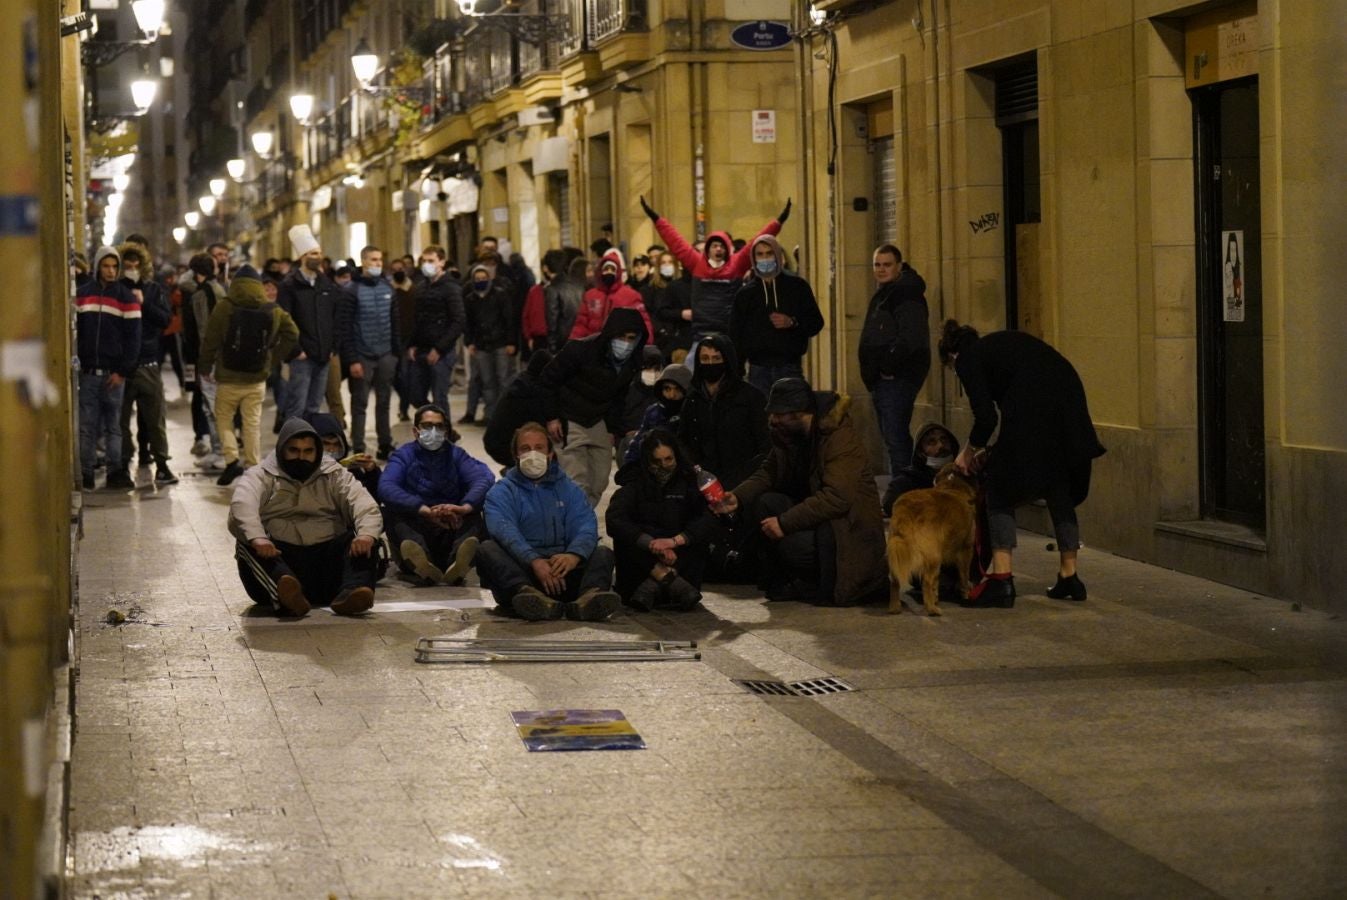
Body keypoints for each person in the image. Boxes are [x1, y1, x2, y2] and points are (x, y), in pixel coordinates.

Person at [938, 320, 1106, 607]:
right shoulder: (1001, 346)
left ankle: (1001, 579)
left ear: (952, 357)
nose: (958, 375)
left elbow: (987, 418)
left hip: (1035, 405)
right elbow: (1015, 428)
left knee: (998, 489)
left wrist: (967, 453)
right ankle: (1069, 575)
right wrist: (988, 451)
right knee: (1057, 484)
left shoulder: (968, 358)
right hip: (1068, 399)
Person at [720, 377, 888, 606]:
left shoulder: (839, 438)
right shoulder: (789, 434)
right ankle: (790, 577)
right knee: (765, 503)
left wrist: (784, 522)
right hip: (818, 516)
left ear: (799, 413)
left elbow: (837, 498)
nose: (773, 420)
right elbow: (769, 472)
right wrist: (737, 497)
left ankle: (814, 580)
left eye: (779, 414)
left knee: (790, 547)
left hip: (847, 527)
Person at [228, 418, 380, 617]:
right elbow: (242, 505)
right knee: (246, 541)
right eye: (294, 451)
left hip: (326, 562)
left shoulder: (335, 474)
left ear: (317, 452)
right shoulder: (260, 475)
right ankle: (285, 594)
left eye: (308, 452)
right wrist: (258, 538)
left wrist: (366, 536)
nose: (301, 457)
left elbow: (364, 504)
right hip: (280, 558)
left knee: (368, 537)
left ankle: (352, 592)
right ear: (282, 449)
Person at [478, 422, 620, 621]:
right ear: (516, 455)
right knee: (487, 549)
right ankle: (530, 598)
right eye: (525, 449)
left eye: (539, 448)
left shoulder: (569, 489)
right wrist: (534, 560)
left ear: (550, 454)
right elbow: (503, 530)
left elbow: (585, 524)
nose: (533, 454)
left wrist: (573, 555)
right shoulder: (501, 492)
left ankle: (587, 599)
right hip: (527, 574)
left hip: (565, 570)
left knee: (603, 552)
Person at [198, 265, 300, 486]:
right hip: (256, 378)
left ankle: (232, 461)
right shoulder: (272, 309)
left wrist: (205, 367)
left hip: (228, 377)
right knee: (251, 423)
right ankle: (253, 467)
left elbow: (210, 340)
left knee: (224, 419)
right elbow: (292, 333)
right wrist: (273, 358)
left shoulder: (224, 307)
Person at [539, 307, 649, 506]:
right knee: (576, 480)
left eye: (631, 337)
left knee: (599, 480)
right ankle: (579, 529)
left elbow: (619, 398)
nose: (625, 342)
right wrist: (551, 417)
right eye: (620, 336)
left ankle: (580, 521)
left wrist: (612, 429)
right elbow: (548, 380)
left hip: (599, 421)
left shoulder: (632, 362)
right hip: (569, 418)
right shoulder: (579, 350)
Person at [641, 195, 788, 340]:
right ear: (708, 249)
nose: (718, 249)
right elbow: (675, 241)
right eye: (714, 246)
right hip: (701, 333)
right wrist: (656, 219)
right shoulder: (698, 264)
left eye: (721, 246)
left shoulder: (736, 265)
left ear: (727, 249)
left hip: (729, 332)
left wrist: (778, 222)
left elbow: (757, 241)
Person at [378, 404, 494, 585]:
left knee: (476, 514)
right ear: (416, 431)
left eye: (439, 426)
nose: (433, 431)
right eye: (427, 426)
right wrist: (422, 509)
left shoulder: (456, 455)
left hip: (450, 524)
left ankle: (457, 564)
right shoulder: (403, 455)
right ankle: (421, 563)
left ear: (446, 431)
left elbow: (484, 479)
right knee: (393, 514)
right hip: (418, 523)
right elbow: (386, 487)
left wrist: (463, 507)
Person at [606, 429, 715, 611]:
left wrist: (675, 541)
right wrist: (651, 544)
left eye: (668, 459)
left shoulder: (690, 483)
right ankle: (666, 578)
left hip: (679, 557)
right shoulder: (634, 484)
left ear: (676, 457)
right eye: (657, 461)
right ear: (647, 461)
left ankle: (655, 584)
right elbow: (615, 520)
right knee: (627, 538)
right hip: (645, 560)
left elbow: (706, 519)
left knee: (699, 537)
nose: (663, 466)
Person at [858, 243, 931, 481]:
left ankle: (904, 493)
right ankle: (902, 490)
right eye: (877, 265)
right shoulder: (886, 292)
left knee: (896, 439)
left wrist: (888, 365)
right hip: (884, 379)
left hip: (896, 377)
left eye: (887, 264)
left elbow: (910, 336)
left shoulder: (905, 293)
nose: (881, 269)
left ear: (899, 266)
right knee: (892, 438)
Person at [75, 246, 141, 491]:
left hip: (114, 375)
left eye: (115, 266)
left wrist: (122, 371)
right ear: (98, 267)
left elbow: (133, 339)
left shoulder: (127, 298)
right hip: (88, 373)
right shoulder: (82, 296)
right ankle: (86, 473)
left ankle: (115, 472)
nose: (111, 271)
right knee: (86, 426)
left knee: (113, 426)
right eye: (106, 266)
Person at [112, 240, 176, 486]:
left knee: (155, 418)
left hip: (149, 362)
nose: (132, 265)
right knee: (120, 420)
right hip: (122, 364)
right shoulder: (116, 289)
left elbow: (165, 319)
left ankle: (161, 463)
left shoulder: (153, 289)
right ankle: (122, 465)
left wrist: (144, 303)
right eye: (127, 261)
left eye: (135, 261)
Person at [730, 234, 825, 397]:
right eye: (760, 255)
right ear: (753, 259)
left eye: (769, 253)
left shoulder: (797, 287)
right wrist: (737, 371)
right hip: (758, 369)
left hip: (789, 365)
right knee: (761, 418)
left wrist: (793, 322)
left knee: (792, 417)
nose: (765, 258)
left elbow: (816, 322)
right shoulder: (745, 294)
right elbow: (736, 334)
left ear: (778, 255)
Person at [677, 334, 769, 492]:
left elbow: (764, 444)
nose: (710, 363)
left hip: (744, 481)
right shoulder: (692, 400)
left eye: (716, 358)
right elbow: (683, 441)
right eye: (705, 358)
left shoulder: (751, 398)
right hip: (703, 481)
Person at [339, 245, 401, 459]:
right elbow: (345, 328)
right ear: (363, 261)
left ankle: (385, 443)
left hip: (385, 355)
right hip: (362, 357)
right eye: (373, 260)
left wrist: (395, 355)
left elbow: (395, 323)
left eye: (380, 260)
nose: (377, 264)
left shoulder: (388, 288)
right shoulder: (350, 290)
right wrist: (352, 360)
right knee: (359, 403)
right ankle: (358, 447)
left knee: (384, 402)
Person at [277, 224, 342, 421]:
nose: (318, 256)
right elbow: (284, 320)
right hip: (302, 356)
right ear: (303, 256)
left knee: (314, 405)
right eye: (313, 253)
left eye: (319, 253)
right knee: (297, 404)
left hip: (323, 354)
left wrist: (332, 347)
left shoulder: (326, 284)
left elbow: (334, 316)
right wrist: (296, 350)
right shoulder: (289, 285)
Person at [405, 244, 466, 417]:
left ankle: (444, 434)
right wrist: (412, 344)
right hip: (422, 349)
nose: (427, 264)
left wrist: (439, 348)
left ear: (441, 262)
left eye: (431, 261)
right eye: (424, 261)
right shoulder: (421, 287)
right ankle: (437, 421)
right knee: (415, 395)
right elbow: (417, 319)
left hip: (442, 351)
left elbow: (458, 321)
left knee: (439, 397)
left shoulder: (451, 288)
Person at [182, 252, 226, 468]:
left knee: (213, 406)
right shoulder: (218, 289)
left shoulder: (202, 295)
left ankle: (220, 452)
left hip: (209, 359)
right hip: (216, 358)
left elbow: (203, 330)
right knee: (214, 406)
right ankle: (220, 451)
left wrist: (202, 361)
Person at [463, 262, 519, 424]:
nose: (480, 280)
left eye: (483, 277)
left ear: (489, 278)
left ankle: (506, 413)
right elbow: (468, 324)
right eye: (477, 278)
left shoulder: (500, 295)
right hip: (481, 344)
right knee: (487, 382)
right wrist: (470, 342)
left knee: (503, 379)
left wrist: (511, 342)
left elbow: (509, 319)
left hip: (500, 343)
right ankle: (490, 414)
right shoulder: (470, 299)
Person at [483, 350, 553, 470]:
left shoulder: (521, 382)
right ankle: (515, 471)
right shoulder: (530, 391)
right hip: (503, 448)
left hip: (493, 443)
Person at [568, 249, 655, 343]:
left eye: (613, 269)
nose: (609, 272)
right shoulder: (590, 296)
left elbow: (642, 322)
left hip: (621, 346)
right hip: (594, 348)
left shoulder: (631, 295)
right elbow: (581, 324)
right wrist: (573, 344)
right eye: (606, 269)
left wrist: (646, 342)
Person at [621, 363, 690, 467]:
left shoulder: (693, 412)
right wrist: (629, 470)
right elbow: (637, 444)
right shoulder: (654, 411)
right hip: (655, 468)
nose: (672, 395)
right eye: (667, 389)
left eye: (677, 389)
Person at [886, 422, 960, 513]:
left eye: (944, 439)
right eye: (932, 442)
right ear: (920, 452)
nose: (941, 446)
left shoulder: (964, 476)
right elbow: (890, 505)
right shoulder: (906, 483)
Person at [307, 411, 382, 498]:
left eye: (336, 444)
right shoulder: (304, 469)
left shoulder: (348, 468)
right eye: (326, 443)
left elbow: (372, 497)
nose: (331, 449)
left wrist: (371, 472)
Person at [647, 251, 692, 360]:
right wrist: (661, 330)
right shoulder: (649, 289)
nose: (667, 266)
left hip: (681, 336)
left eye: (670, 262)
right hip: (661, 337)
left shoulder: (683, 285)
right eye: (663, 263)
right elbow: (652, 313)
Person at [541, 249, 583, 351]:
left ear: (546, 268)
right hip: (580, 338)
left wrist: (552, 346)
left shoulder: (552, 289)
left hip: (562, 342)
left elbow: (552, 321)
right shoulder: (579, 285)